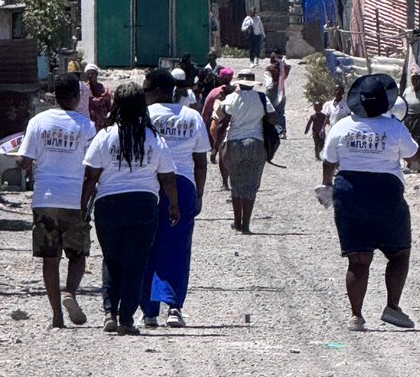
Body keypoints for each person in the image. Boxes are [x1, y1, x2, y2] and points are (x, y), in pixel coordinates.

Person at [320, 73, 420, 332]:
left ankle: (356, 315)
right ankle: (392, 307)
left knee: (358, 259)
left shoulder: (341, 126)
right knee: (399, 253)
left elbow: (329, 159)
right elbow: (413, 154)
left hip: (350, 192)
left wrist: (327, 185)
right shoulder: (394, 127)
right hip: (386, 192)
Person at [81, 82, 180, 334]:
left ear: (116, 105)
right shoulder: (154, 138)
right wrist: (174, 205)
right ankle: (127, 319)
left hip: (109, 205)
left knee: (111, 260)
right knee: (136, 263)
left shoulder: (105, 136)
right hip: (144, 205)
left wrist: (82, 208)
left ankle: (109, 313)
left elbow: (91, 177)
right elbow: (167, 177)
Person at [17, 73, 96, 328]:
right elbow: (94, 165)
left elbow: (24, 161)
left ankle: (56, 316)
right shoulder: (86, 126)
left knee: (50, 258)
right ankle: (70, 292)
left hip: (45, 198)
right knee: (78, 255)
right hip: (75, 199)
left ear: (54, 95)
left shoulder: (38, 121)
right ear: (77, 97)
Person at [141, 69, 211, 328]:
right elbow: (200, 161)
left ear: (158, 91)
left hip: (150, 184)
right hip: (183, 185)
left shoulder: (146, 116)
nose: (145, 95)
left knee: (148, 246)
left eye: (147, 90)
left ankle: (148, 310)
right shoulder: (192, 117)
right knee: (178, 248)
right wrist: (200, 193)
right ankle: (174, 308)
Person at [214, 68, 277, 233]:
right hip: (256, 143)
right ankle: (247, 225)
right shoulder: (261, 98)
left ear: (239, 83)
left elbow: (220, 120)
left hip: (234, 143)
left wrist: (215, 148)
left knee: (236, 184)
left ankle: (237, 222)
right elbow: (273, 117)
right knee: (251, 186)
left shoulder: (231, 98)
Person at [263, 49, 292, 137]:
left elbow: (269, 82)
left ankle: (272, 130)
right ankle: (282, 131)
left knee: (270, 110)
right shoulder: (286, 67)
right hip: (281, 90)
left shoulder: (269, 69)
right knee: (280, 111)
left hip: (272, 90)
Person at [85, 64, 113, 132]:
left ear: (97, 74)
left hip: (102, 126)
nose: (90, 76)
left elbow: (110, 109)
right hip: (87, 126)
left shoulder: (105, 91)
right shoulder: (84, 90)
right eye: (88, 74)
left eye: (92, 73)